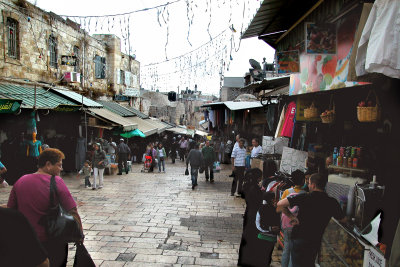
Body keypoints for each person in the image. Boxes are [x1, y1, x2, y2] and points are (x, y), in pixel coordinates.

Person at [7, 148, 83, 267]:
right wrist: (80, 234)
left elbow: (11, 210)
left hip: (26, 241)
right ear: (48, 164)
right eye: (59, 165)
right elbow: (72, 210)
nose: (61, 169)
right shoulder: (56, 181)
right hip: (52, 240)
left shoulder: (20, 181)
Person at [277, 173, 346, 267]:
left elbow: (280, 204)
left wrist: (292, 217)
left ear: (313, 185)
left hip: (299, 238)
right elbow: (343, 219)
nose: (308, 185)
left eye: (309, 183)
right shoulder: (332, 202)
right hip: (315, 241)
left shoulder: (305, 197)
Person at [280, 169, 306, 267]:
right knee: (294, 251)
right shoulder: (305, 194)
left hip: (286, 224)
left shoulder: (287, 192)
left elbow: (281, 206)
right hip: (298, 225)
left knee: (286, 248)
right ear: (303, 181)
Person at [238, 168, 263, 266]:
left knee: (246, 236)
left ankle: (243, 259)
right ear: (257, 177)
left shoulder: (248, 186)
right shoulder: (255, 189)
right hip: (253, 214)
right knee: (251, 237)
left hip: (248, 213)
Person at [254, 191, 281, 267]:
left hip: (261, 236)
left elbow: (257, 224)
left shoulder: (260, 209)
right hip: (272, 238)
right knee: (268, 256)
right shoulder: (276, 210)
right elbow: (279, 225)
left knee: (261, 256)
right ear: (272, 199)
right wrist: (272, 229)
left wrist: (268, 228)